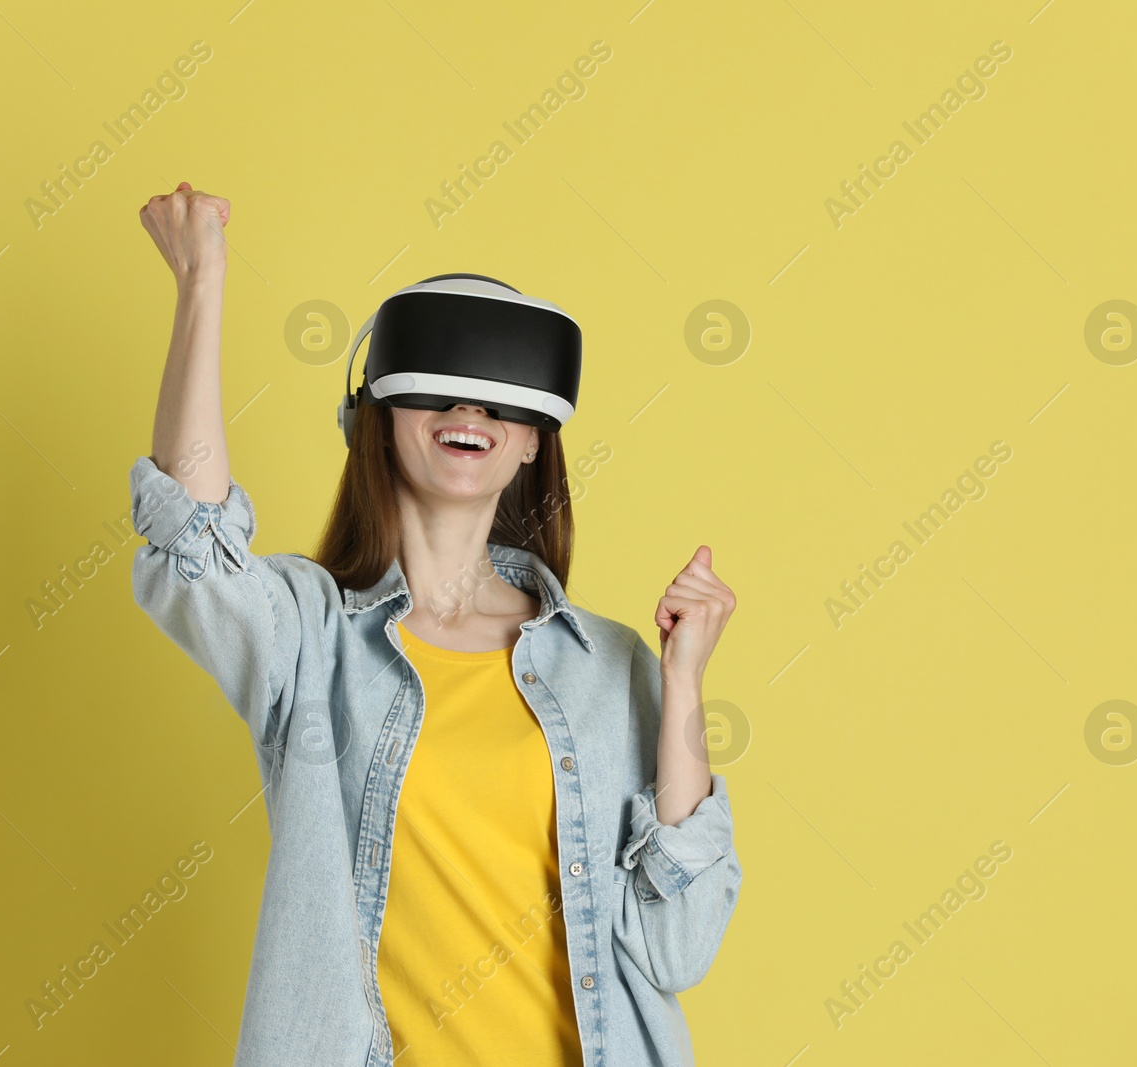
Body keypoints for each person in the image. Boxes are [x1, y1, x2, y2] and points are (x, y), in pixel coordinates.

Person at [130, 182, 742, 1066]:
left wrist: (682, 682)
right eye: (441, 395)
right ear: (376, 421)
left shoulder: (611, 665)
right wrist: (202, 281)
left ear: (535, 440)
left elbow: (676, 946)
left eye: (501, 404)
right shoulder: (312, 640)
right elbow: (194, 545)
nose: (471, 415)